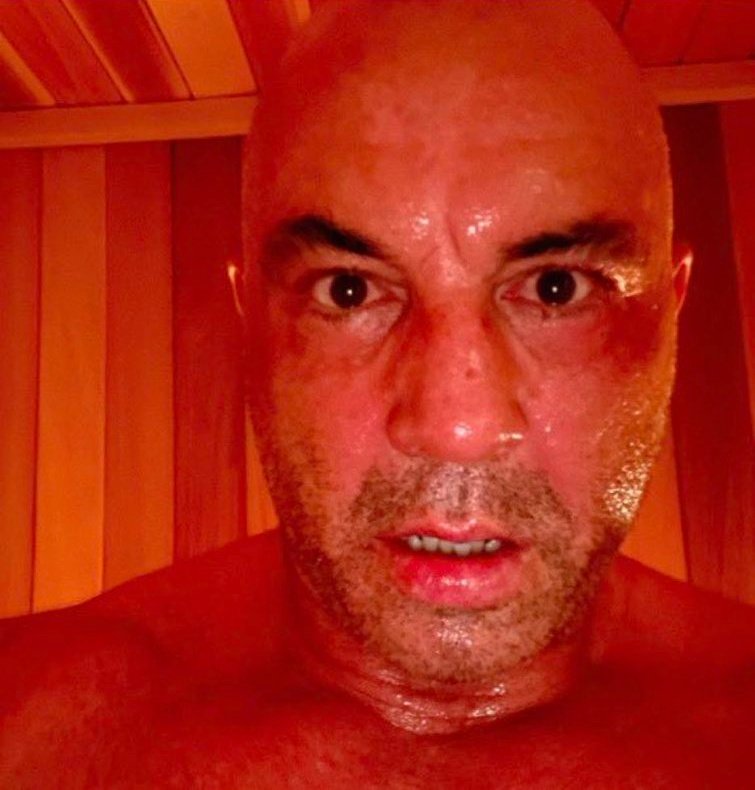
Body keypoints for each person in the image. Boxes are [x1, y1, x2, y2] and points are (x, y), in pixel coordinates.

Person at [2, 1, 754, 786]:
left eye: (555, 289)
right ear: (251, 321)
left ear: (668, 314)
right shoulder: (32, 725)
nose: (455, 427)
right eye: (350, 290)